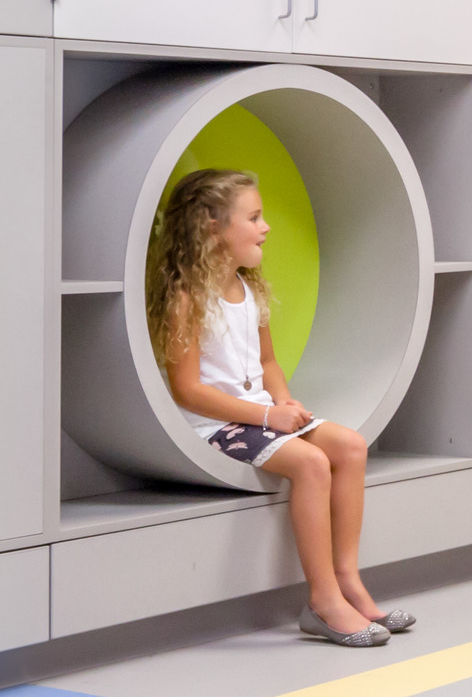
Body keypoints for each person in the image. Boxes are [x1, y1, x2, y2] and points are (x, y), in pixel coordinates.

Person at [149, 166, 389, 646]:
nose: (266, 227)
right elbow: (186, 391)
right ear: (211, 227)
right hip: (216, 425)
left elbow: (268, 361)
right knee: (311, 463)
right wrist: (265, 416)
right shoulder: (186, 297)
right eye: (255, 217)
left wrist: (282, 399)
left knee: (351, 446)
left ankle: (348, 581)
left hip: (261, 413)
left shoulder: (249, 288)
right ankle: (322, 602)